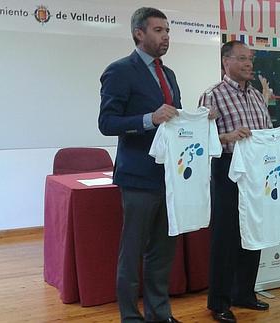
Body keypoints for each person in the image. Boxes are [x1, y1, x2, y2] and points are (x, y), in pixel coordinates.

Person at [98, 7, 181, 323]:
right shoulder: (120, 71)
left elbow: (174, 119)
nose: (166, 37)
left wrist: (199, 121)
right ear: (139, 33)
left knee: (162, 252)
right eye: (159, 30)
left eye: (167, 31)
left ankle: (160, 313)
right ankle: (131, 317)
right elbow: (107, 122)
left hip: (169, 176)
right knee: (132, 253)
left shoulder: (168, 74)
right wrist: (149, 119)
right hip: (137, 176)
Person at [198, 40, 272, 323]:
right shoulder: (212, 96)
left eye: (250, 58)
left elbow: (263, 132)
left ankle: (245, 293)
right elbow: (200, 142)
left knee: (253, 230)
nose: (249, 64)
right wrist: (226, 138)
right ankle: (219, 301)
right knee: (225, 236)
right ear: (225, 61)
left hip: (256, 170)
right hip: (227, 169)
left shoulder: (256, 96)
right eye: (242, 58)